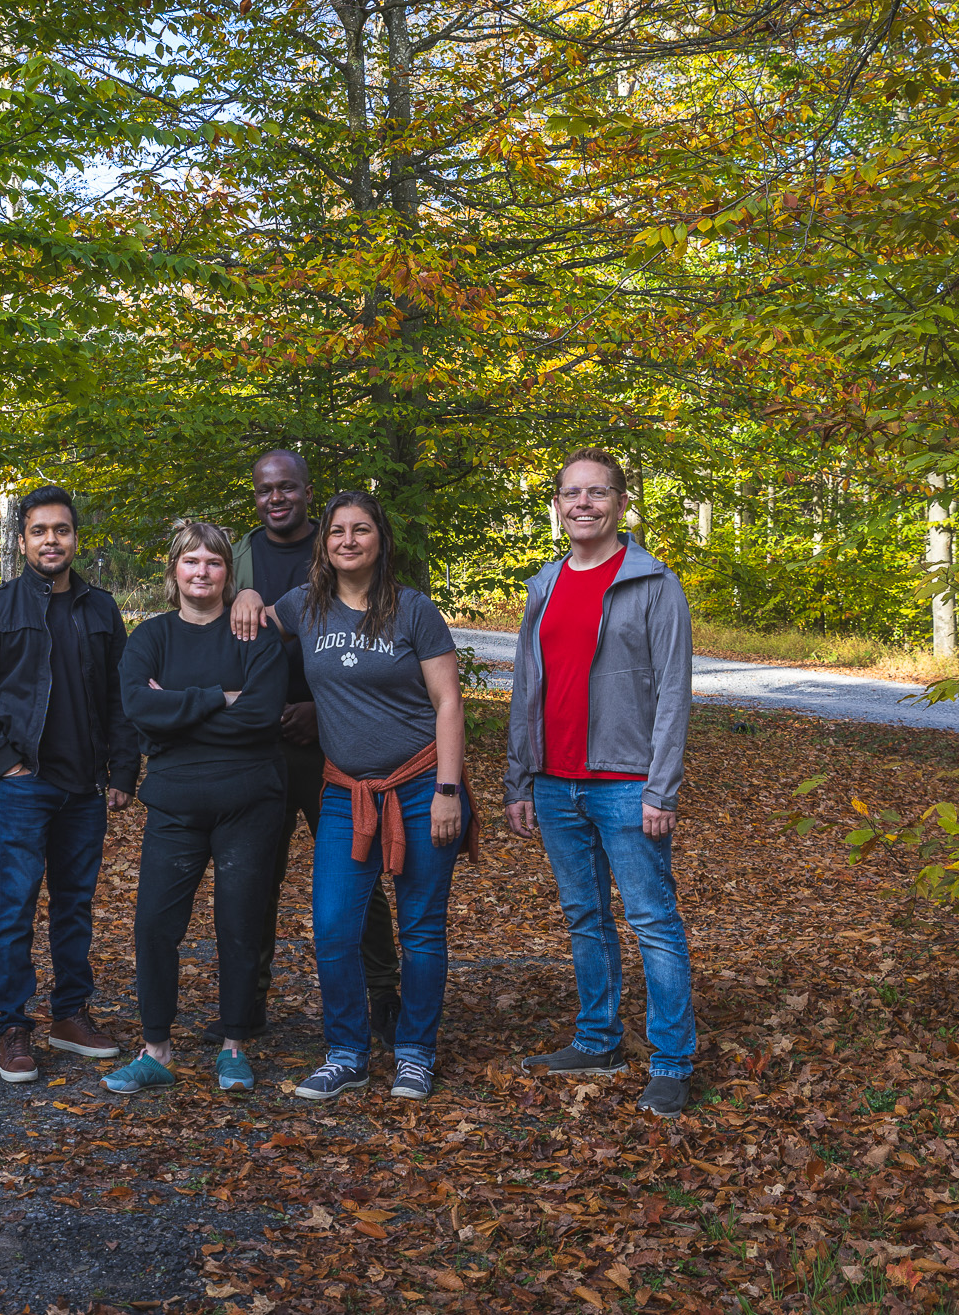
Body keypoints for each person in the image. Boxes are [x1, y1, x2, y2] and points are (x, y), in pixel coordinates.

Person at [263, 491, 474, 1102]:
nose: (348, 541)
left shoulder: (413, 611)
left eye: (360, 530)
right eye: (336, 532)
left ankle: (413, 1051)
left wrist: (448, 790)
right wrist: (248, 596)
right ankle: (347, 1051)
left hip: (418, 786)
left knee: (421, 930)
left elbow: (449, 704)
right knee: (332, 928)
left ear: (380, 539)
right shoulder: (304, 606)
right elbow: (243, 628)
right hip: (344, 793)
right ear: (323, 544)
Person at [505, 447, 696, 1118]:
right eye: (571, 493)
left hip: (626, 782)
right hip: (556, 782)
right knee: (585, 917)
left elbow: (674, 692)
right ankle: (597, 1038)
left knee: (653, 922)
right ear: (557, 506)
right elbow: (528, 687)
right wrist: (519, 778)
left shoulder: (653, 583)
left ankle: (672, 1061)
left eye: (597, 492)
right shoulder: (544, 584)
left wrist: (660, 788)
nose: (582, 503)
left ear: (620, 504)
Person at [0, 484, 140, 1083]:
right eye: (39, 531)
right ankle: (12, 1026)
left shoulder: (101, 608)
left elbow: (120, 697)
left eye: (61, 530)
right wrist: (5, 761)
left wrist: (123, 771)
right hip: (23, 786)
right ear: (23, 539)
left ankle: (69, 1014)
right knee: (14, 906)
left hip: (84, 788)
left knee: (75, 906)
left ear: (75, 537)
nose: (51, 540)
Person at [104, 522, 288, 1093]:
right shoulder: (151, 637)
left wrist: (178, 712)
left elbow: (261, 716)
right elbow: (137, 707)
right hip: (175, 806)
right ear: (173, 572)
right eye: (190, 562)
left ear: (228, 573)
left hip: (249, 801)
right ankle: (156, 1048)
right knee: (155, 926)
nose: (201, 571)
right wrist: (218, 699)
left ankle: (234, 1045)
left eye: (213, 561)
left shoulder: (255, 635)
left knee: (240, 924)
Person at [227, 450, 401, 1044]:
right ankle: (248, 1002)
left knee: (358, 870)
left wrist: (319, 714)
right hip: (258, 740)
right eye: (264, 490)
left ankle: (384, 994)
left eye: (288, 489)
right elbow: (217, 624)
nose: (276, 499)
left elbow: (379, 641)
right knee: (255, 875)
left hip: (331, 743)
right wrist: (242, 598)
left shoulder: (338, 543)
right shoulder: (241, 554)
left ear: (307, 492)